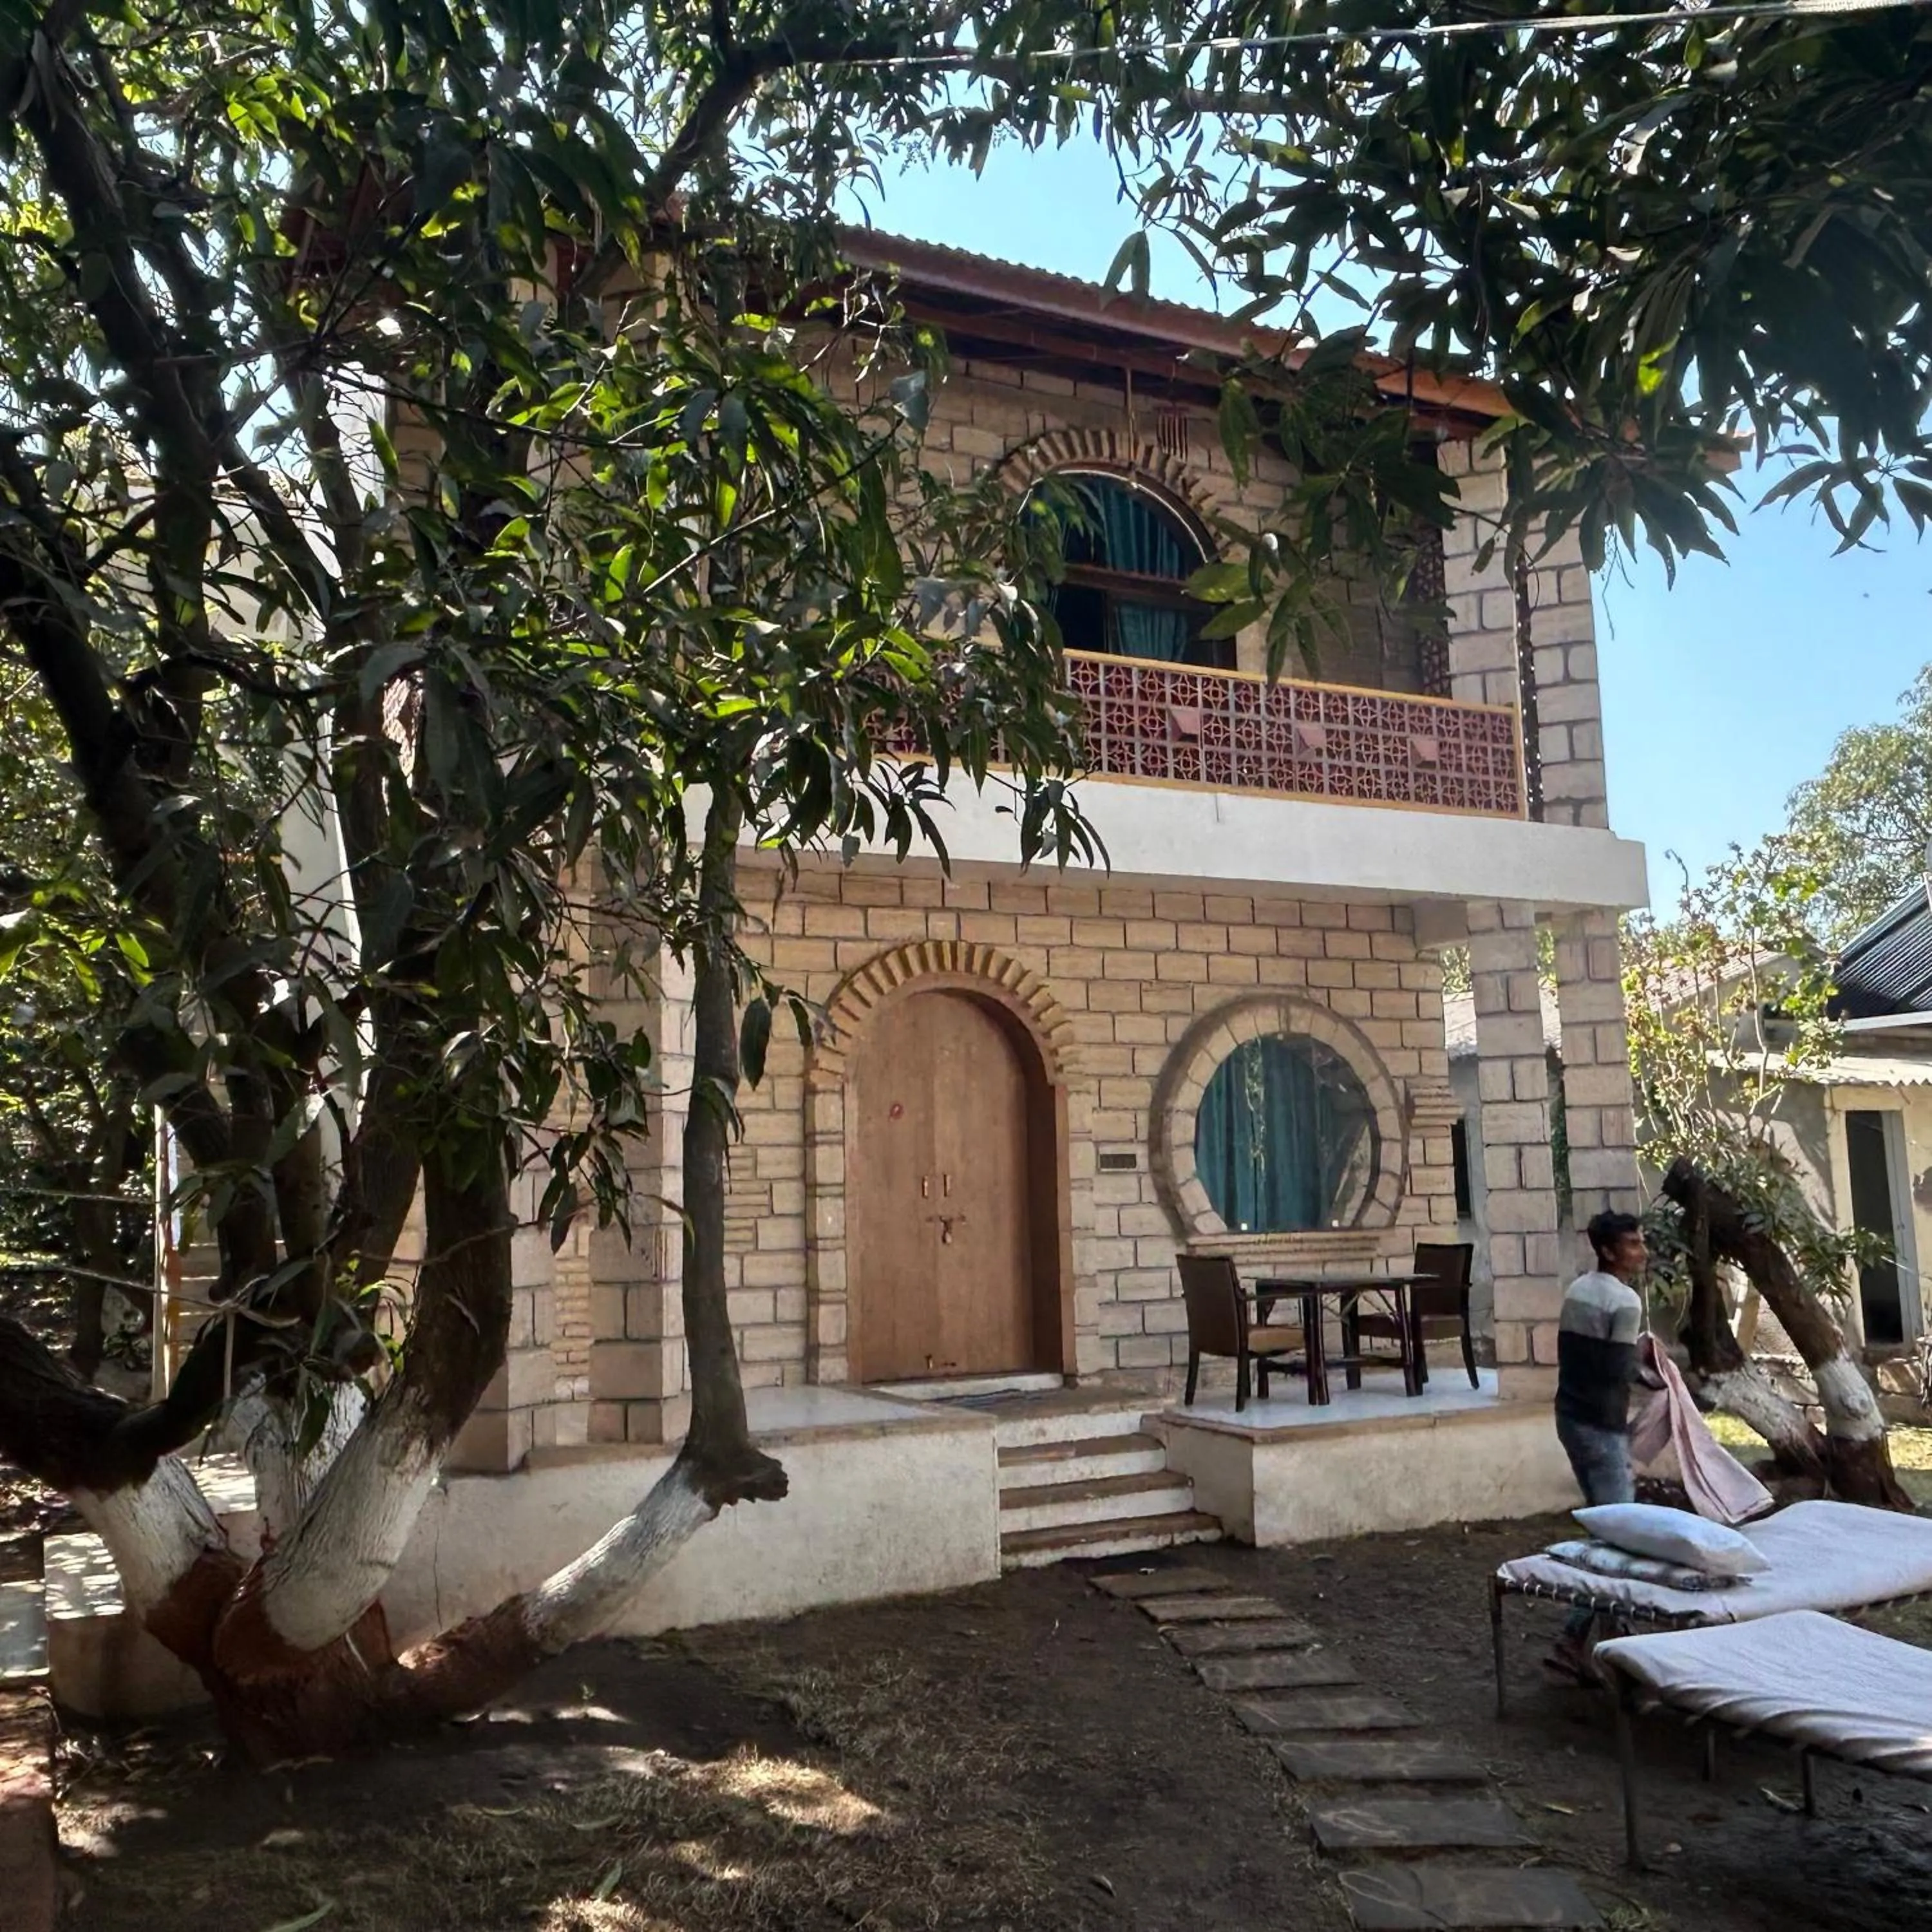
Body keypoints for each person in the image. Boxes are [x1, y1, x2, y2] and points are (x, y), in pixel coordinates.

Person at [1548, 1208, 1651, 1680]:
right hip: (1602, 1427)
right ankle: (1577, 1638)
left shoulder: (1578, 1290)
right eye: (1632, 1244)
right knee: (1619, 1536)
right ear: (1609, 1251)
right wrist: (1648, 1362)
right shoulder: (1625, 1302)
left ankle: (1607, 1635)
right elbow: (1616, 1371)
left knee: (1605, 1529)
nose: (1642, 1251)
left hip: (1570, 1418)